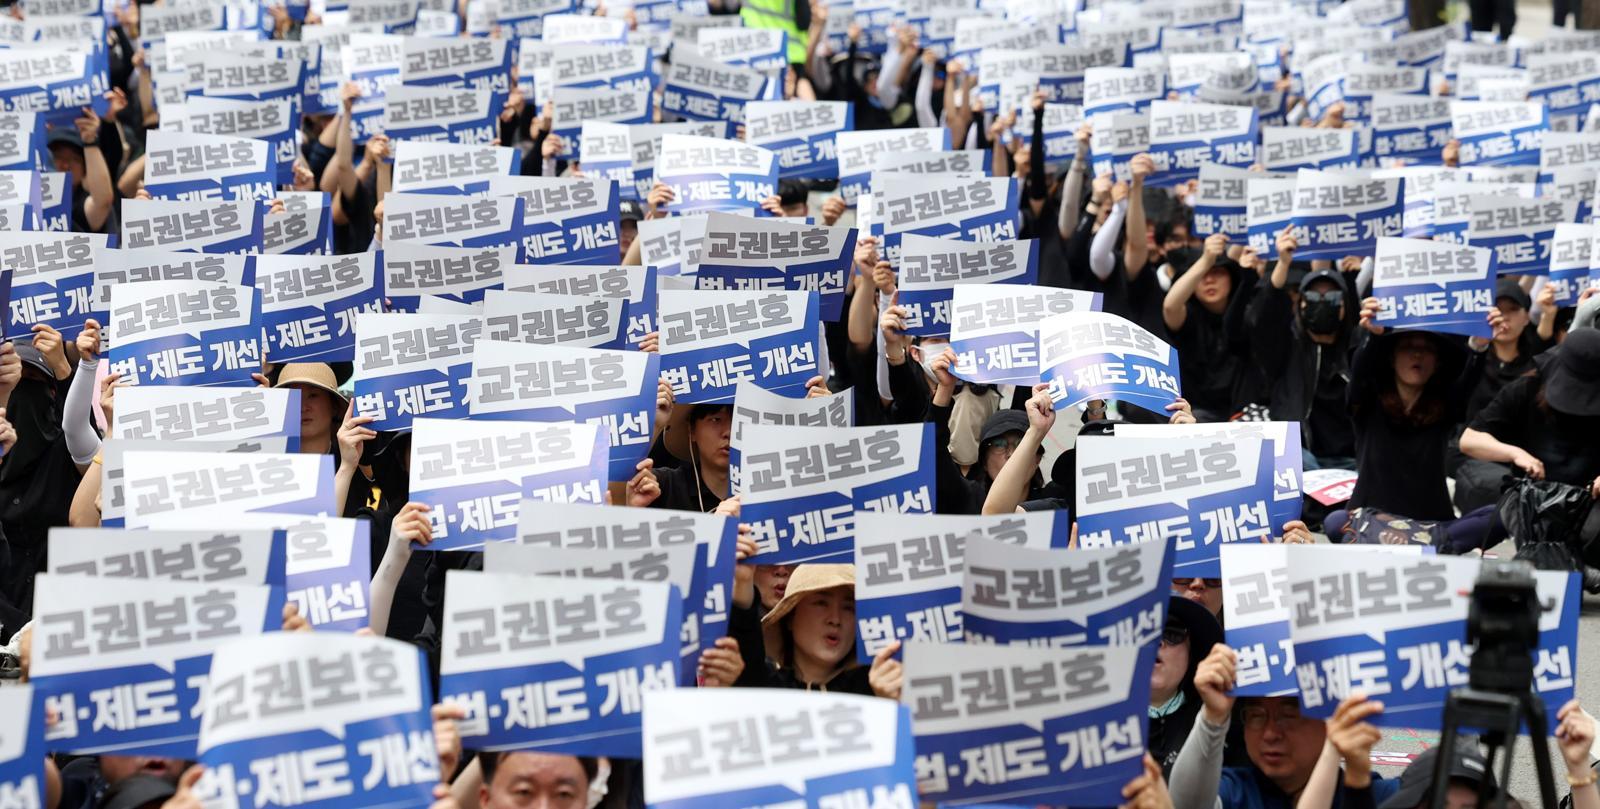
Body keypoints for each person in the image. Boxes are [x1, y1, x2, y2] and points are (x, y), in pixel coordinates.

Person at [1169, 644, 1401, 808]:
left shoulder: (1378, 795)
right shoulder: (1234, 792)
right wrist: (1213, 716)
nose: (1270, 734)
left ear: (1329, 720)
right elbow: (1185, 805)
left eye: (1288, 716)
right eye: (1256, 716)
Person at [1248, 231, 1360, 470]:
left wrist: (1355, 279)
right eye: (1313, 296)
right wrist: (1283, 262)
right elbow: (1262, 319)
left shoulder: (1356, 352)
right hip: (1300, 459)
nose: (1322, 302)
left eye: (1331, 297)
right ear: (1301, 304)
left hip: (1351, 463)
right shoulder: (1286, 350)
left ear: (1344, 307)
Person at [1460, 327, 1600, 499]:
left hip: (1591, 501)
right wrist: (1515, 453)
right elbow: (1470, 440)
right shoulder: (1527, 387)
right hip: (1530, 499)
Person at [1454, 281, 1557, 512]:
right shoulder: (1471, 359)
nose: (1505, 317)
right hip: (1473, 460)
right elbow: (1457, 397)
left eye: (1513, 309)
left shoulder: (1538, 364)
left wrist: (1548, 315)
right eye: (1498, 309)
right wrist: (1478, 346)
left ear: (1526, 317)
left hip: (1527, 462)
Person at [1162, 234, 1256, 422]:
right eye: (1203, 275)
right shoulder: (1187, 317)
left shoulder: (1248, 312)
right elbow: (1170, 306)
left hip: (1245, 416)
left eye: (1218, 272)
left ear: (1231, 278)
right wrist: (1206, 260)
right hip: (1197, 415)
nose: (1209, 280)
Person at [1148, 596, 1242, 778]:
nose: (1157, 642)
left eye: (1172, 632)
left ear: (1191, 654)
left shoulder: (1224, 718)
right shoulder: (1096, 724)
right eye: (1144, 632)